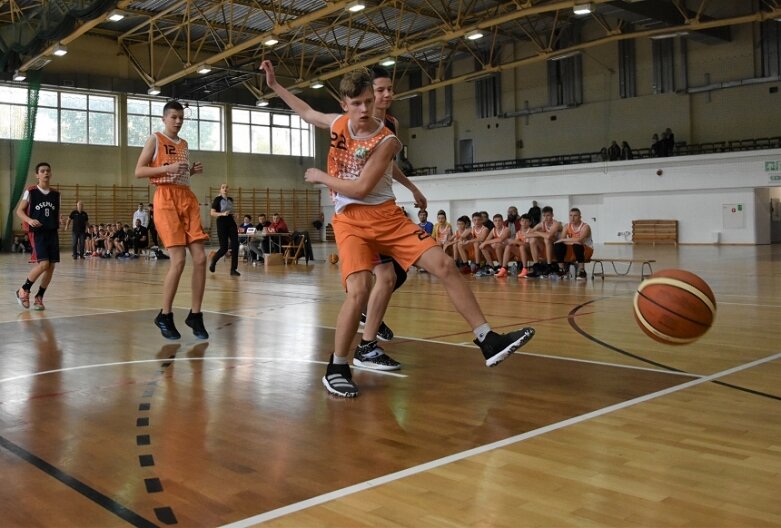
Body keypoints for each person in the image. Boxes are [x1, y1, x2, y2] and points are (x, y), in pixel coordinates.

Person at [261, 60, 535, 397]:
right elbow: (305, 111)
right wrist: (275, 86)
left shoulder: (386, 139)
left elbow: (361, 188)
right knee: (359, 289)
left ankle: (487, 339)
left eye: (367, 101)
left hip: (387, 217)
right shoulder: (337, 124)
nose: (363, 108)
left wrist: (320, 177)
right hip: (350, 222)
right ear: (345, 105)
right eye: (356, 103)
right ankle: (337, 366)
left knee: (444, 265)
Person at [135, 100, 209, 340]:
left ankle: (195, 314)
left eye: (181, 118)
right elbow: (139, 171)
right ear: (164, 118)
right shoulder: (154, 139)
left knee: (200, 257)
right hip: (165, 198)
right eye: (173, 117)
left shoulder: (184, 144)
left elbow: (180, 171)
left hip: (186, 197)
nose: (178, 121)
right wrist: (167, 169)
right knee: (178, 260)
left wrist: (190, 171)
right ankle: (165, 314)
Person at [15, 162, 60, 311]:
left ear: (51, 173)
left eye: (48, 170)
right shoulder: (31, 191)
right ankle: (23, 289)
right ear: (37, 175)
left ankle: (39, 296)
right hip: (38, 233)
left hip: (52, 232)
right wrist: (29, 220)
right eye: (42, 171)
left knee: (51, 266)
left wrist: (60, 219)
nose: (46, 173)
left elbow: (54, 214)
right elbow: (19, 211)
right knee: (44, 264)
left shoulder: (55, 194)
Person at [209, 183, 240, 276]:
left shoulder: (230, 200)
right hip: (221, 223)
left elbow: (229, 211)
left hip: (231, 222)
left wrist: (234, 215)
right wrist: (222, 214)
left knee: (235, 245)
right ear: (220, 190)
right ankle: (214, 260)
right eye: (223, 187)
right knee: (224, 248)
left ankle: (233, 269)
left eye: (226, 187)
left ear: (228, 189)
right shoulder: (217, 199)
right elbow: (212, 213)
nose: (225, 189)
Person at [554, 207, 593, 280]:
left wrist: (565, 240)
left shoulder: (585, 227)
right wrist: (564, 240)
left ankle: (582, 271)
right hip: (572, 248)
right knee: (558, 245)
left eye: (575, 215)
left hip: (586, 250)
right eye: (571, 215)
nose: (572, 218)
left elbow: (580, 240)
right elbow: (562, 240)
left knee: (577, 244)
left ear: (580, 217)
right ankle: (561, 269)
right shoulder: (567, 226)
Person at [525, 205, 562, 278]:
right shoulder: (542, 224)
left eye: (548, 215)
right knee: (532, 239)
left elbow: (549, 236)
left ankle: (549, 265)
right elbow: (528, 235)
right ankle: (536, 266)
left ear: (552, 215)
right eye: (544, 215)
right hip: (545, 246)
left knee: (546, 239)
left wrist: (538, 232)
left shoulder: (556, 224)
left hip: (557, 246)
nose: (546, 218)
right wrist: (540, 233)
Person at [495, 214, 535, 278]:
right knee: (508, 246)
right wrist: (510, 242)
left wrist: (515, 241)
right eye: (522, 221)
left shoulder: (532, 231)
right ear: (520, 222)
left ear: (530, 223)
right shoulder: (518, 232)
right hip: (522, 253)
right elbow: (515, 244)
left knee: (522, 246)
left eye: (526, 221)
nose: (524, 223)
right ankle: (504, 268)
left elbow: (529, 245)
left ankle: (525, 268)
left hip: (530, 252)